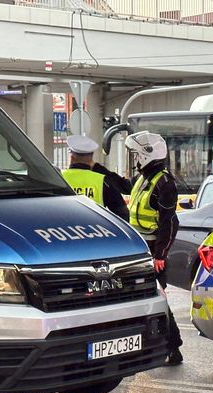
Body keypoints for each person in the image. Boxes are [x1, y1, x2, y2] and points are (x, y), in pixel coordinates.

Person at [125, 131, 183, 365]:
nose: (135, 160)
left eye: (136, 155)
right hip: (139, 248)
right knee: (139, 299)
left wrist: (160, 255)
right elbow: (123, 185)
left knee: (158, 301)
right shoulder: (145, 178)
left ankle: (173, 348)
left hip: (151, 250)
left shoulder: (164, 183)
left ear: (147, 155)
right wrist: (98, 170)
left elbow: (169, 221)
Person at [63, 135, 129, 221]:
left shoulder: (58, 178)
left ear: (71, 158)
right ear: (91, 159)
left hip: (62, 231)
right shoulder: (103, 181)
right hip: (96, 231)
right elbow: (123, 215)